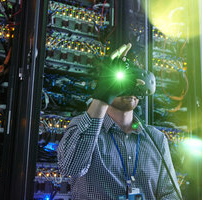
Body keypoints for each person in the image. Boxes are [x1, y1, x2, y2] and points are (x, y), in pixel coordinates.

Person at [57, 43, 182, 200]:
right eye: (124, 80)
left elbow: (170, 194)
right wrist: (102, 98)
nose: (130, 88)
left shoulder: (156, 139)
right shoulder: (81, 127)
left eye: (134, 80)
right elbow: (72, 168)